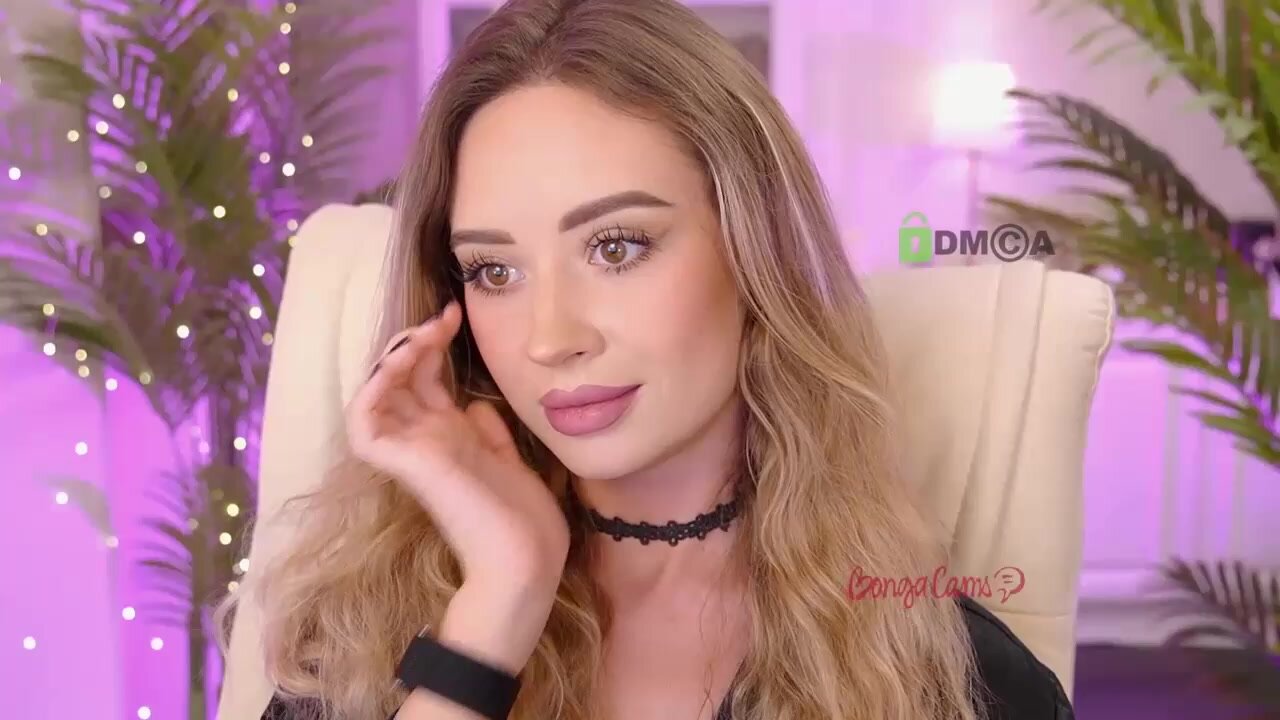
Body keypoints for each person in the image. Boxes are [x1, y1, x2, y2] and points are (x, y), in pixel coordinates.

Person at [221, 0, 1075, 718]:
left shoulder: (945, 677)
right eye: (494, 271)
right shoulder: (364, 628)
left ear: (754, 250)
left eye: (617, 247)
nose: (550, 337)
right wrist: (500, 598)